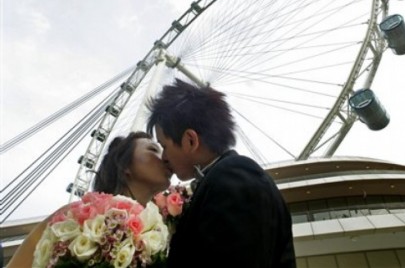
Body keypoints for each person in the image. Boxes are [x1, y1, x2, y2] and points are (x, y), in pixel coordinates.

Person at [147, 78, 297, 268]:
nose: (164, 157)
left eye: (164, 146)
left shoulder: (232, 178)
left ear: (190, 140)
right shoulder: (226, 177)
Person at [6, 131, 171, 268]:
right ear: (125, 166)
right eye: (153, 150)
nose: (165, 157)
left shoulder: (159, 232)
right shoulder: (73, 217)